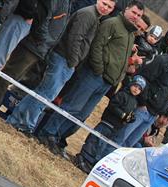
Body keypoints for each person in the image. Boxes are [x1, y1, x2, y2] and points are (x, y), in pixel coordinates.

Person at [36, 0, 144, 156]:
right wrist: (99, 69)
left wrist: (118, 76)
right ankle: (47, 133)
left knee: (82, 115)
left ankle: (58, 138)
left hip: (108, 82)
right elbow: (97, 47)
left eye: (139, 15)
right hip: (93, 75)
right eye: (134, 12)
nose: (136, 16)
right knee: (72, 106)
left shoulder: (130, 34)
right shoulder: (112, 23)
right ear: (126, 10)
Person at [5, 0, 113, 133]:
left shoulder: (95, 17)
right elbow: (75, 38)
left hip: (66, 60)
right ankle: (25, 123)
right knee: (45, 94)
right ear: (98, 1)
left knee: (44, 93)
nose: (105, 8)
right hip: (63, 58)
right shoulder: (88, 14)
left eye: (109, 7)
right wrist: (73, 61)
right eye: (104, 3)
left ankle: (18, 120)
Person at [0, 0, 72, 112]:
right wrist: (44, 40)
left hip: (40, 48)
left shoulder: (68, 3)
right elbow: (42, 19)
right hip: (33, 44)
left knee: (13, 76)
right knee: (10, 74)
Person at [113, 37, 168, 148]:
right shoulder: (161, 60)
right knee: (119, 138)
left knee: (129, 145)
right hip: (142, 109)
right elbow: (143, 78)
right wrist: (143, 103)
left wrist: (160, 114)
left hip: (153, 116)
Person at [74, 75, 144, 172]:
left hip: (116, 127)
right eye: (135, 86)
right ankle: (82, 157)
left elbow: (129, 114)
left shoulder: (135, 102)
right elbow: (113, 106)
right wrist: (122, 115)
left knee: (102, 145)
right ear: (131, 84)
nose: (136, 89)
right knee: (95, 140)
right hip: (107, 122)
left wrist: (130, 118)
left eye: (139, 89)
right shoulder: (122, 94)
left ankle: (90, 161)